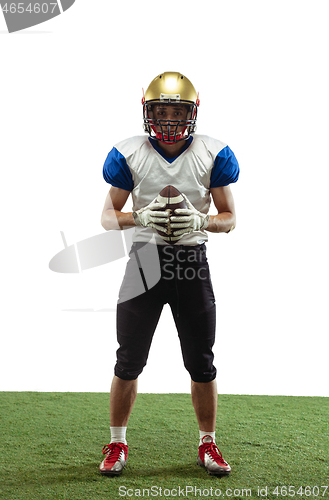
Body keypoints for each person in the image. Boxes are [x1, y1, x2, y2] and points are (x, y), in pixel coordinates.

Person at [99, 72, 239, 476]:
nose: (168, 119)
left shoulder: (213, 152)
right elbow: (107, 217)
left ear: (193, 112)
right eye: (160, 110)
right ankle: (116, 442)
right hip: (145, 259)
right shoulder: (130, 152)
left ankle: (208, 443)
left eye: (176, 111)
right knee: (128, 360)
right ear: (147, 110)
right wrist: (137, 216)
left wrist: (202, 221)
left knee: (201, 362)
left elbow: (230, 219)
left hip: (191, 262)